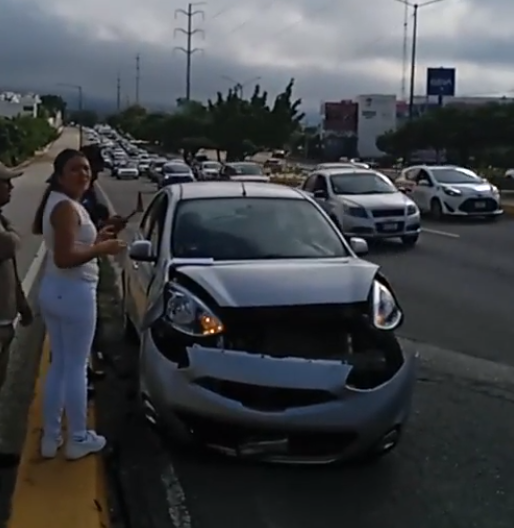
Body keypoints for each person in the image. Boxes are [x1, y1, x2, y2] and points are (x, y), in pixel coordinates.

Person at [32, 148, 125, 460]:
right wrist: (103, 249)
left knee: (60, 367)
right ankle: (78, 438)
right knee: (74, 369)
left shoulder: (61, 205)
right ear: (59, 176)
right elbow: (65, 257)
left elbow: (71, 247)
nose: (83, 174)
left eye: (85, 169)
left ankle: (51, 437)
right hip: (73, 293)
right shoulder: (66, 208)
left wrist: (96, 240)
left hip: (58, 292)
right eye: (75, 169)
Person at [0, 164, 32, 390]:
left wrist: (21, 302)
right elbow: (12, 244)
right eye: (5, 182)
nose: (11, 187)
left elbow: (10, 266)